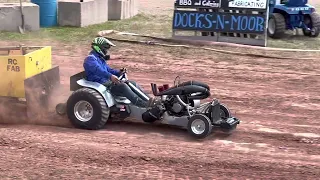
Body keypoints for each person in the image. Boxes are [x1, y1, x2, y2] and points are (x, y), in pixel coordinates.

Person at [83, 37, 155, 108]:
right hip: (100, 83)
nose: (106, 51)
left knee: (132, 83)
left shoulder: (100, 58)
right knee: (122, 86)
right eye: (105, 48)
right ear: (99, 48)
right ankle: (142, 104)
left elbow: (108, 70)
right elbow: (98, 71)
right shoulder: (90, 59)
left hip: (106, 81)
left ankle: (149, 100)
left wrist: (119, 72)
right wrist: (110, 76)